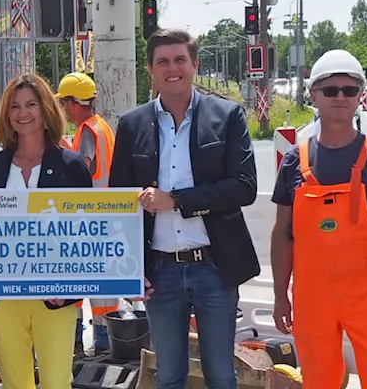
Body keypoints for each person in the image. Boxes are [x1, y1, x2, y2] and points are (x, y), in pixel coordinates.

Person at [109, 28, 259, 389]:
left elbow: (244, 187)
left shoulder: (227, 116)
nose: (172, 68)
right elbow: (119, 201)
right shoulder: (131, 125)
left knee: (221, 375)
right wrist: (129, 269)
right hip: (159, 273)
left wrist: (176, 201)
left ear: (194, 65)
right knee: (169, 376)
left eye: (179, 60)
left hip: (215, 267)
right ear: (151, 70)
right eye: (163, 61)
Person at [270, 50, 367, 389]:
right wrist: (279, 295)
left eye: (349, 90)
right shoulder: (294, 161)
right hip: (311, 297)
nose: (340, 97)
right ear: (313, 95)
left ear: (360, 96)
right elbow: (282, 234)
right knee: (319, 380)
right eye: (330, 90)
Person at [0, 73, 92, 389]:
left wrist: (70, 286)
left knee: (56, 382)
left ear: (45, 110)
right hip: (2, 298)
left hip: (54, 294)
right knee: (15, 383)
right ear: (6, 114)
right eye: (15, 106)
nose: (23, 113)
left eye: (31, 104)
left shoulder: (71, 165)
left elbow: (87, 233)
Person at [54, 71, 116, 354]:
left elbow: (85, 167)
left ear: (71, 103)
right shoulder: (102, 126)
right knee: (102, 284)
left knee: (77, 279)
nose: (64, 111)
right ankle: (103, 339)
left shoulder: (88, 130)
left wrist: (63, 152)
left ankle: (81, 341)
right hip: (102, 216)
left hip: (88, 217)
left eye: (64, 104)